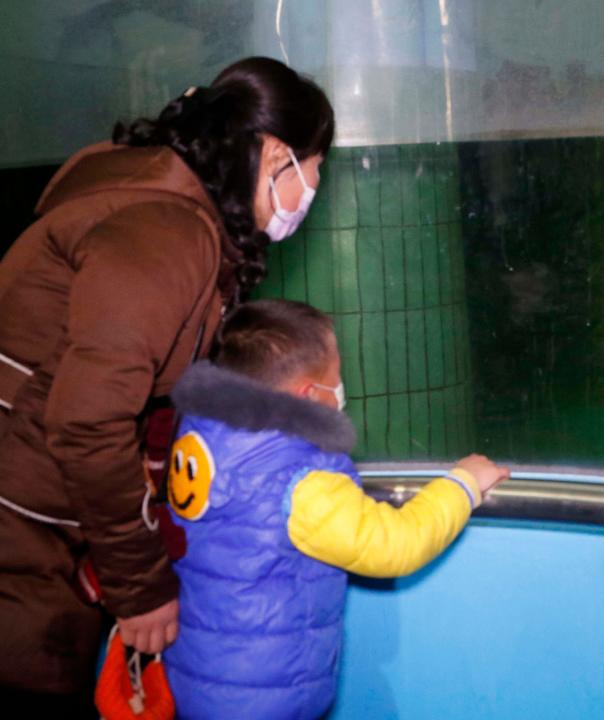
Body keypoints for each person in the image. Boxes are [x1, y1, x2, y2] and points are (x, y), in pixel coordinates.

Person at [0, 57, 334, 713]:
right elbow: (88, 421)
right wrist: (141, 585)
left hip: (42, 526)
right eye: (317, 167)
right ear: (275, 156)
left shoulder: (175, 218)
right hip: (22, 538)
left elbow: (144, 392)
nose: (315, 188)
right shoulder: (168, 232)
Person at [161, 298, 509, 719]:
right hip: (265, 694)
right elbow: (392, 546)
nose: (341, 388)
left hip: (196, 671)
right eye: (337, 378)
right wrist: (464, 484)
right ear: (309, 395)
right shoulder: (299, 478)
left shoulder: (203, 436)